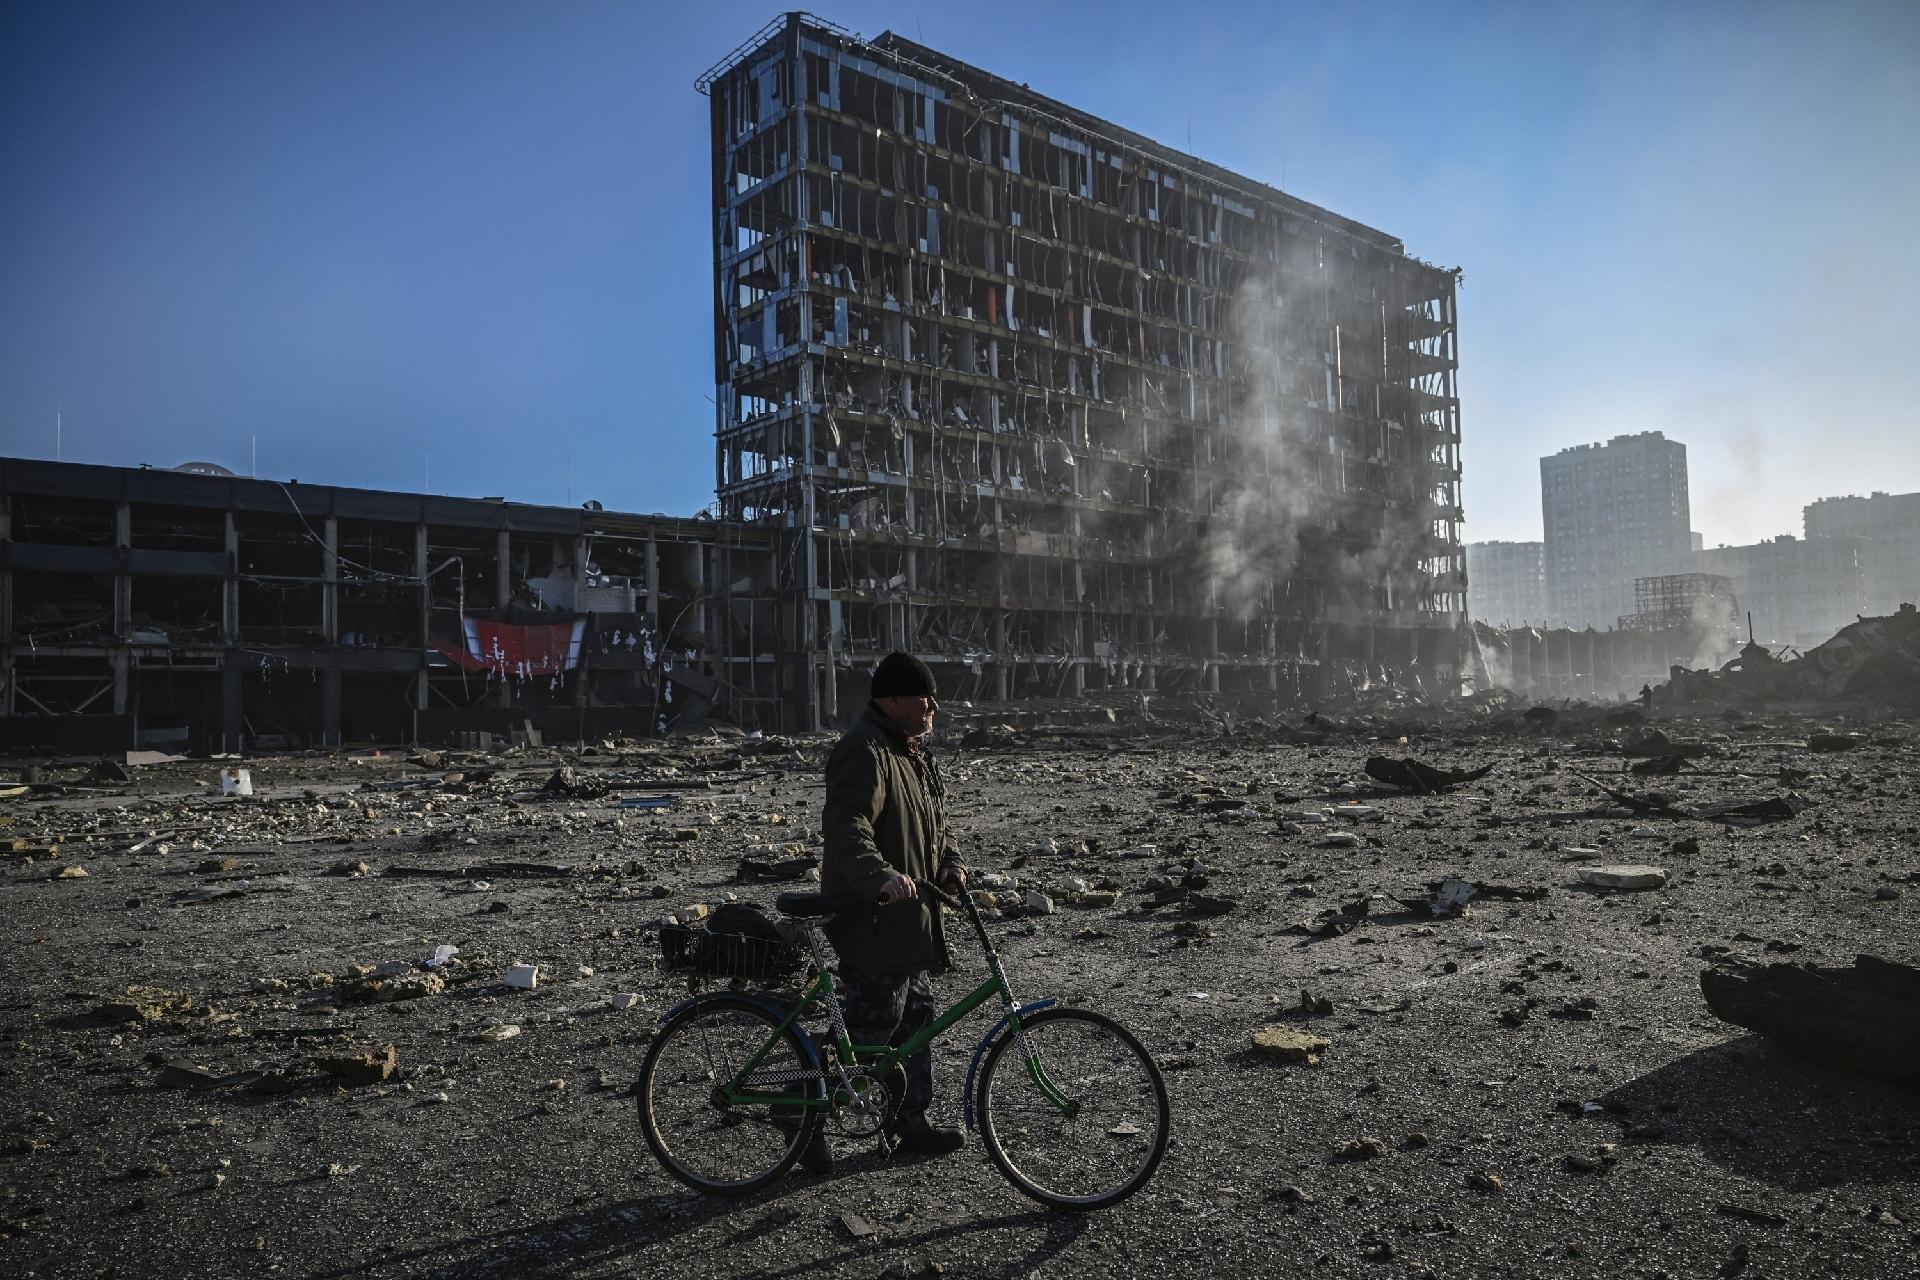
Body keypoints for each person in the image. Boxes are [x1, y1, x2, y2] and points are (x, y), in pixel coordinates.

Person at [805, 651, 968, 1173]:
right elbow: (848, 822)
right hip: (873, 916)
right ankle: (801, 1115)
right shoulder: (865, 750)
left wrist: (952, 866)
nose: (933, 707)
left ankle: (909, 1121)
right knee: (870, 1028)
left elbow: (937, 828)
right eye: (924, 698)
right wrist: (878, 877)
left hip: (911, 919)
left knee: (914, 1022)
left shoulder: (912, 753)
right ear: (892, 699)